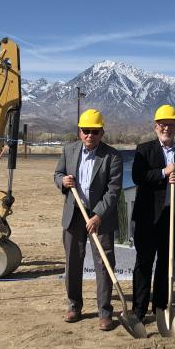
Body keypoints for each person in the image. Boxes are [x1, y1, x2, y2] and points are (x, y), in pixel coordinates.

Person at [54, 109, 124, 331]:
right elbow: (57, 174)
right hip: (74, 214)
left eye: (94, 131)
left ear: (102, 132)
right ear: (79, 132)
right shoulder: (69, 150)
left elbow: (113, 191)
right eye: (86, 131)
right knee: (73, 262)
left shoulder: (112, 156)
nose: (89, 136)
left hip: (99, 218)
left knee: (104, 265)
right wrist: (62, 181)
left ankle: (105, 311)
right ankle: (74, 305)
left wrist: (98, 216)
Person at [131, 104, 175, 322]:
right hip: (147, 217)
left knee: (166, 263)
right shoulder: (144, 150)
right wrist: (163, 172)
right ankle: (139, 310)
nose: (166, 128)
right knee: (144, 263)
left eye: (170, 125)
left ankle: (159, 307)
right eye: (162, 125)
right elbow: (138, 177)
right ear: (155, 127)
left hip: (172, 217)